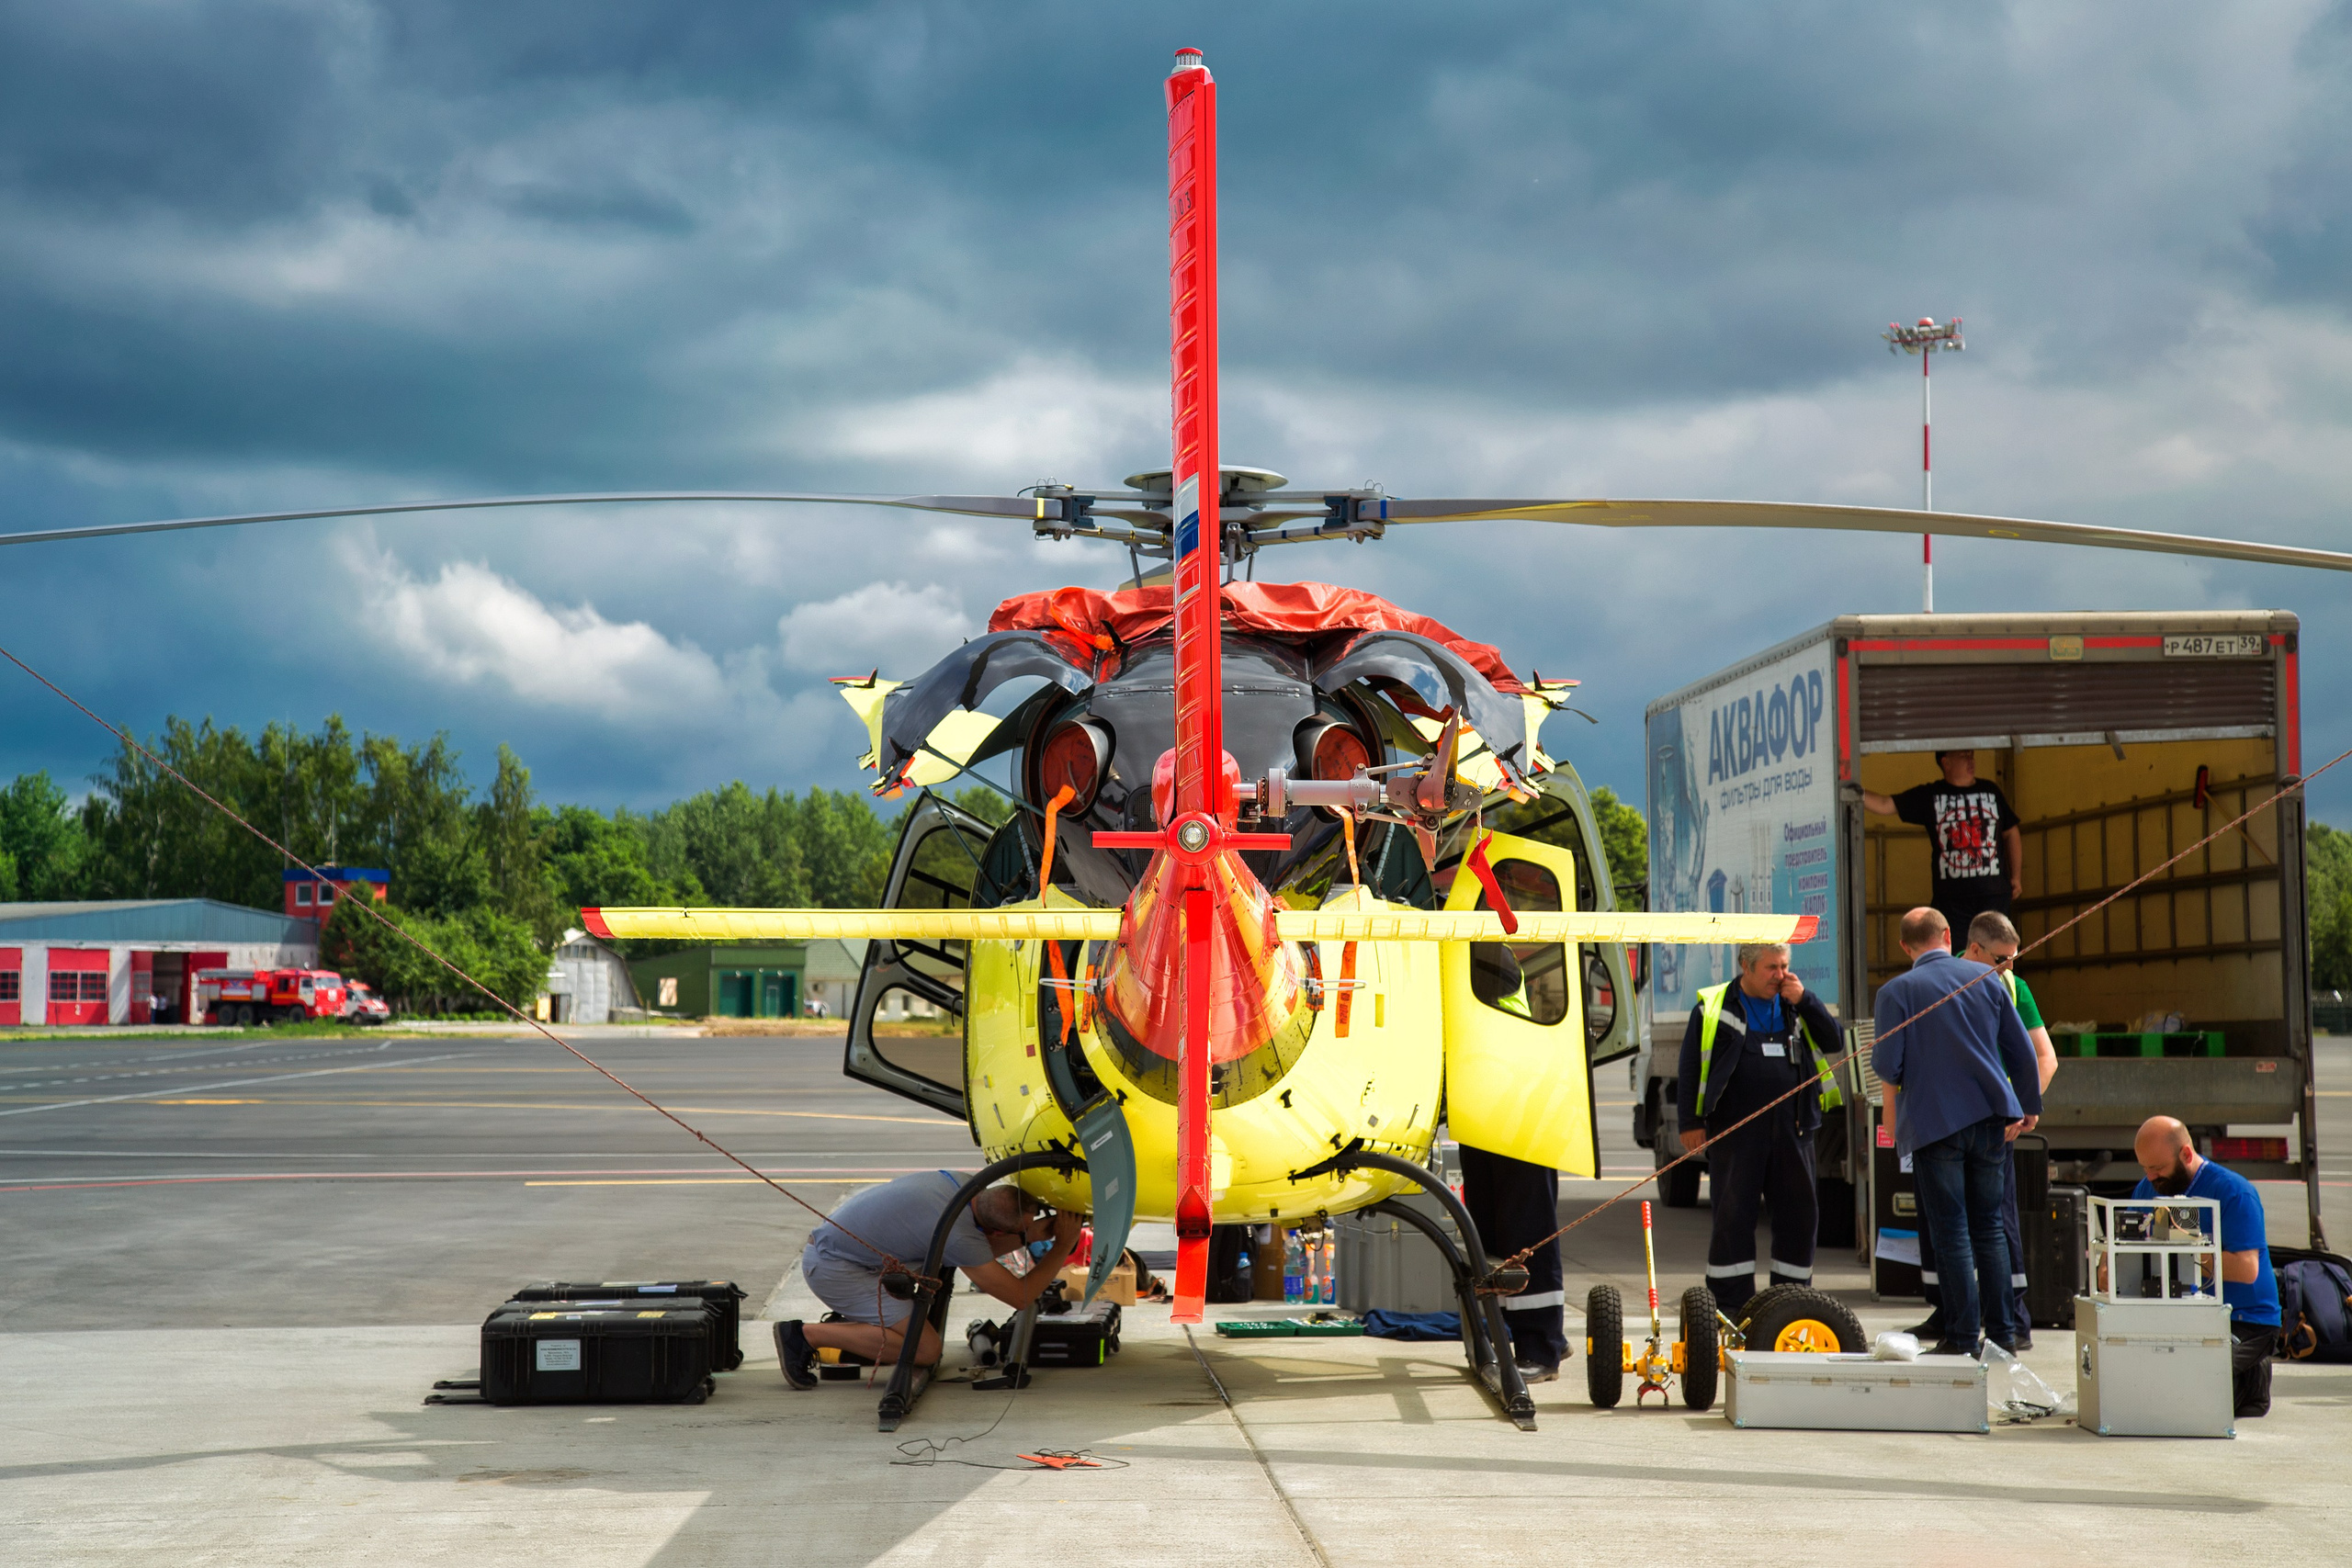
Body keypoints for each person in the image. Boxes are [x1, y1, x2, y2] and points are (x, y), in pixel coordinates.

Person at [1872, 907, 2041, 1357]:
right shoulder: (1988, 980)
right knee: (1989, 1228)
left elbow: (1888, 1065)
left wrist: (1893, 1114)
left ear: (1906, 947)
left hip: (1936, 1124)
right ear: (1949, 935)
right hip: (1991, 1120)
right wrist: (2028, 1109)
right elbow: (2023, 1052)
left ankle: (1963, 1339)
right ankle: (2003, 1336)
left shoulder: (1896, 992)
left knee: (1951, 1233)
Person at [773, 1170, 1080, 1388]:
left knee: (920, 1338)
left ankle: (860, 1330)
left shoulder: (965, 1185)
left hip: (845, 1252)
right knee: (925, 1351)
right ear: (998, 1231)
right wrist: (1063, 1245)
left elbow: (977, 1251)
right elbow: (1020, 1296)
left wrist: (1040, 1231)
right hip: (835, 1270)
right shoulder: (959, 1235)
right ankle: (805, 1335)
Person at [1911, 911, 2061, 1346]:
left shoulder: (2013, 986)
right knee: (1945, 1223)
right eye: (2001, 958)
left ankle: (2010, 1321)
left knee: (1994, 1223)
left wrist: (2017, 1107)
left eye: (2014, 958)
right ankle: (1952, 1313)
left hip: (1993, 1124)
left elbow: (2044, 1057)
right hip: (1945, 1121)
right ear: (1972, 948)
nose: (2008, 968)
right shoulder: (1934, 980)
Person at [1677, 941, 1845, 1314]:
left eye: (1785, 965)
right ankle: (1731, 1309)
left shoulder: (1795, 1004)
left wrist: (1807, 1001)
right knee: (1733, 1218)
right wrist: (1689, 1122)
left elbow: (1834, 1040)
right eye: (1771, 968)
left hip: (1794, 1131)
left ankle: (1791, 1303)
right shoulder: (1714, 1007)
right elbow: (1690, 1067)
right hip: (1736, 1135)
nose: (1781, 975)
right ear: (1745, 966)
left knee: (1799, 1218)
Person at [2122, 1115, 2280, 1418]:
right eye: (2145, 1168)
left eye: (2158, 1168)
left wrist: (2183, 1250)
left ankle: (2247, 1378)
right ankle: (2249, 1382)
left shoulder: (2234, 1191)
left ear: (2185, 1154)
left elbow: (2248, 1270)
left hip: (2245, 1317)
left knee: (2188, 1391)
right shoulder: (2148, 1188)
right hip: (2181, 1312)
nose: (2152, 1177)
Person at [1856, 751, 2024, 942]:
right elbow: (1885, 804)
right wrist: (1850, 789)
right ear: (1946, 763)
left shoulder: (1991, 790)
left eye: (1971, 755)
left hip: (1994, 894)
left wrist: (2016, 877)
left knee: (1997, 952)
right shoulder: (1931, 795)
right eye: (1964, 756)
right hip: (1952, 899)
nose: (1971, 760)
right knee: (1957, 955)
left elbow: (2011, 832)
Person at [1458, 1146, 1567, 1381]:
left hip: (1523, 1122)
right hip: (1479, 1121)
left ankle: (1540, 1347)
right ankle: (1548, 1336)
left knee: (1526, 1220)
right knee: (1487, 1221)